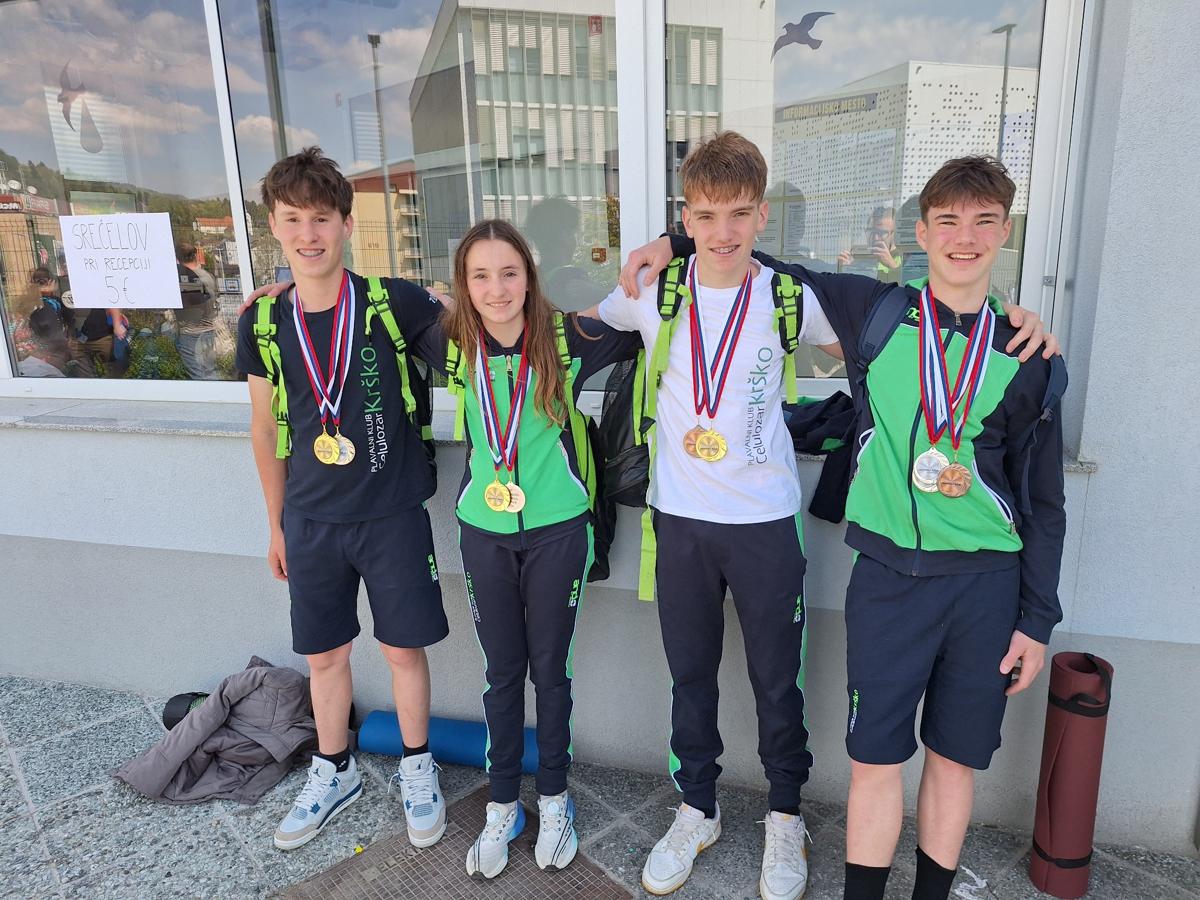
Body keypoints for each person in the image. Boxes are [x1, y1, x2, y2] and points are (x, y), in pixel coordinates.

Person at [625, 152, 1065, 900]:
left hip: (986, 585)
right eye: (948, 222)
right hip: (887, 576)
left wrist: (1036, 618)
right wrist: (672, 239)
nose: (964, 239)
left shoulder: (1026, 354)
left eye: (984, 222)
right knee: (875, 760)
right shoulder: (878, 314)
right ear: (921, 232)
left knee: (953, 761)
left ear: (1005, 232)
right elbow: (747, 253)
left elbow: (1044, 502)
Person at [594, 131, 844, 900]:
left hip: (767, 523)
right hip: (681, 524)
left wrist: (1003, 324)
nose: (724, 231)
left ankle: (784, 816)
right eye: (705, 216)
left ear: (762, 214)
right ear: (686, 218)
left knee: (777, 681)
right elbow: (564, 333)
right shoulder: (651, 291)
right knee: (690, 677)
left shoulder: (791, 297)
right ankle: (696, 809)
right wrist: (466, 313)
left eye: (739, 213)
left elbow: (874, 345)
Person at [234, 147, 449, 852]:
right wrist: (276, 525)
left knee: (402, 649)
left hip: (391, 514)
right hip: (310, 519)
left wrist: (453, 293)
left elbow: (473, 325)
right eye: (293, 219)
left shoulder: (393, 302)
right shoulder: (263, 322)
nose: (309, 234)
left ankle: (417, 765)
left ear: (347, 224)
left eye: (321, 218)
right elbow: (264, 428)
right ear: (273, 226)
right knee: (325, 656)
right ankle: (334, 769)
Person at [433, 219, 641, 879]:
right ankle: (502, 806)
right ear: (464, 284)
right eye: (481, 276)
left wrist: (674, 243)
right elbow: (357, 295)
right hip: (483, 533)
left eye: (509, 273)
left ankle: (553, 800)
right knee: (501, 674)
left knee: (550, 673)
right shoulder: (450, 341)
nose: (497, 289)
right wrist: (288, 285)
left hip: (557, 532)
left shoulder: (569, 337)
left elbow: (650, 307)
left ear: (529, 276)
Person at [175, 241, 221, 380]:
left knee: (198, 376)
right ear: (195, 256)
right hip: (209, 330)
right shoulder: (208, 275)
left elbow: (191, 309)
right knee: (210, 371)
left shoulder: (186, 279)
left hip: (191, 333)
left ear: (178, 259)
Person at [838, 207, 902, 283]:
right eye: (872, 232)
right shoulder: (859, 257)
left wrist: (892, 265)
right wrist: (848, 268)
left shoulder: (903, 258)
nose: (876, 238)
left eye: (882, 233)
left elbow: (905, 285)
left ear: (895, 234)